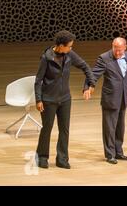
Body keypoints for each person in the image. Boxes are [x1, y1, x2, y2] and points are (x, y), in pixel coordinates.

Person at [35, 30, 95, 169]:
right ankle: (42, 157)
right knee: (47, 128)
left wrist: (90, 84)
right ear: (60, 45)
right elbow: (38, 80)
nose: (71, 48)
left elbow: (85, 66)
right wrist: (38, 100)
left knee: (64, 129)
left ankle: (62, 158)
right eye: (69, 46)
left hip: (65, 99)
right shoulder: (46, 58)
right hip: (48, 100)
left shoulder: (69, 54)